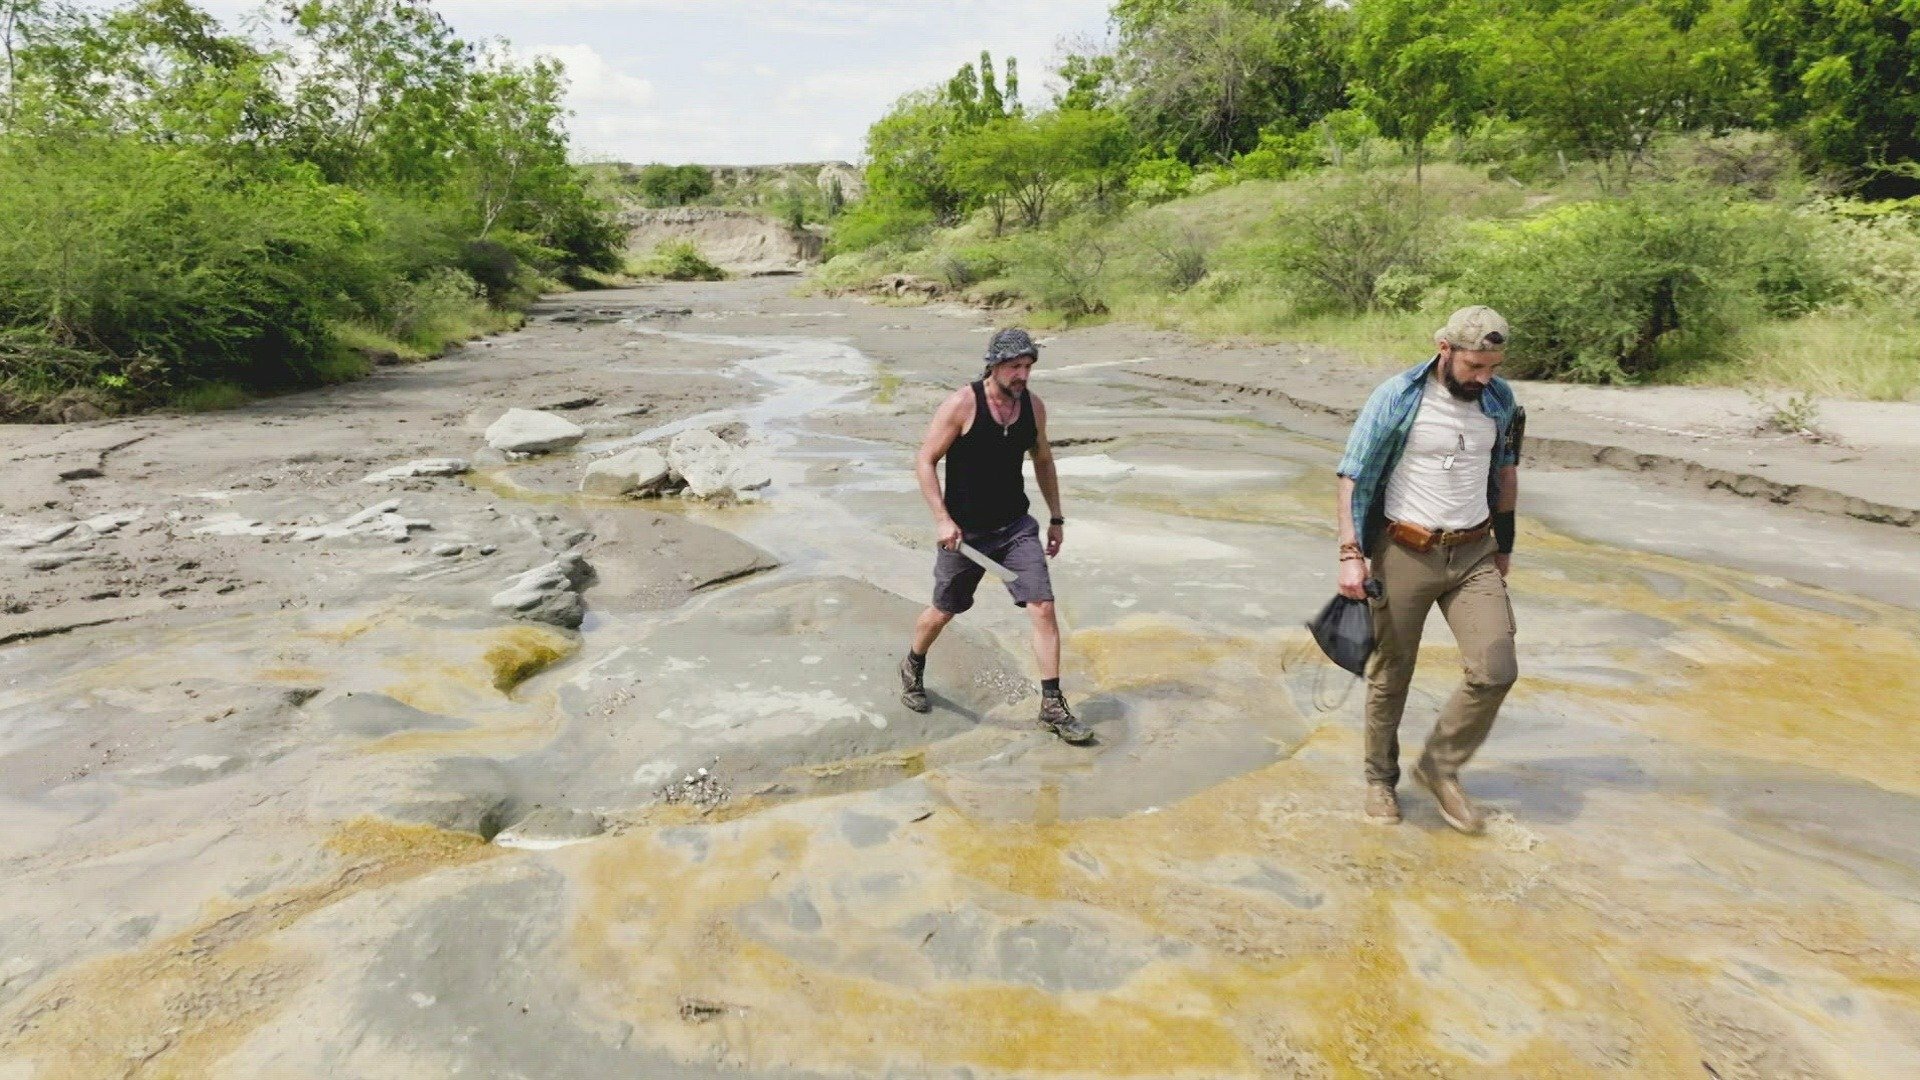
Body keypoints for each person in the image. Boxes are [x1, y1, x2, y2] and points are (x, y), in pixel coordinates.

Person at [1334, 306, 1524, 833]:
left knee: (1496, 670)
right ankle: (1379, 779)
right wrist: (1351, 555)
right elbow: (1352, 476)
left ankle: (1438, 768)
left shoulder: (1500, 400)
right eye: (1474, 367)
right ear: (1444, 350)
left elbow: (1505, 475)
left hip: (1473, 553)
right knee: (1392, 676)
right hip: (1403, 550)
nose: (1485, 378)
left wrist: (1504, 547)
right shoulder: (1397, 396)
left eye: (1493, 366)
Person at [898, 328, 1093, 744]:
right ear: (994, 364)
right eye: (1015, 367)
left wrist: (1057, 519)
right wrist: (941, 519)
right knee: (943, 610)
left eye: (1028, 367)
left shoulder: (1033, 408)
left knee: (1041, 605)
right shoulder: (962, 404)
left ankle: (1052, 705)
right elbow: (925, 460)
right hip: (964, 534)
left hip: (1015, 527)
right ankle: (913, 664)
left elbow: (1043, 460)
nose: (1023, 375)